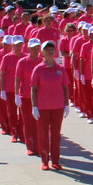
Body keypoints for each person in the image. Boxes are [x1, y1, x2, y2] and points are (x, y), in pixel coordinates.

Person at [30, 40, 71, 171]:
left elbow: (65, 88)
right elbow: (33, 89)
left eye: (52, 49)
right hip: (43, 107)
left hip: (57, 107)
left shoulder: (61, 69)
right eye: (47, 49)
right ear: (42, 52)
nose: (50, 51)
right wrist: (34, 106)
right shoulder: (38, 69)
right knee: (43, 135)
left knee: (55, 135)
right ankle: (44, 160)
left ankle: (55, 160)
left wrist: (66, 104)